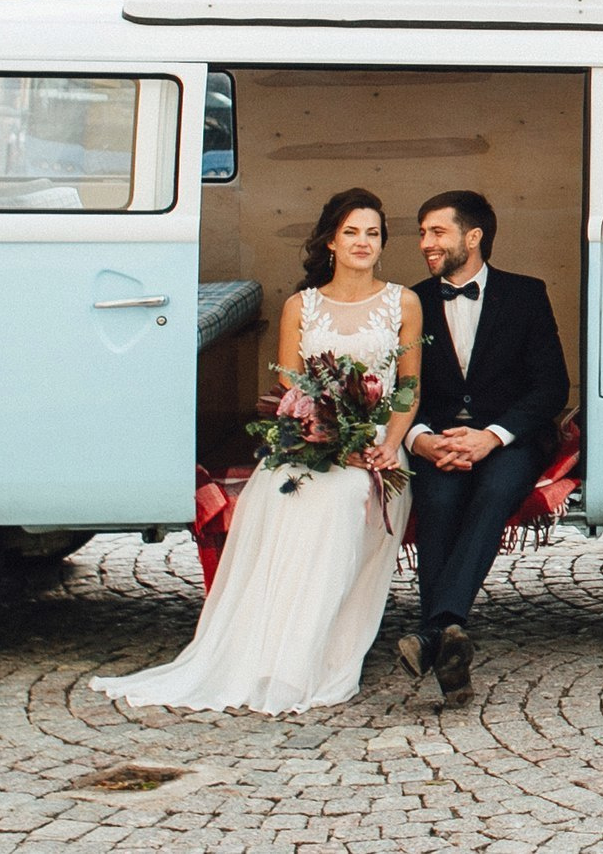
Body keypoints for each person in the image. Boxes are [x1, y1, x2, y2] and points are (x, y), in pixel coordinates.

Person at [92, 187, 421, 716]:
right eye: (352, 232)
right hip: (310, 444)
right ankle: (268, 652)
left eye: (373, 233)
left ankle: (311, 658)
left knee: (342, 504)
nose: (363, 242)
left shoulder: (403, 302)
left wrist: (386, 443)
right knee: (289, 501)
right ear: (331, 241)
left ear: (382, 244)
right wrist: (324, 437)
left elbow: (408, 391)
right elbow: (288, 392)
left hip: (377, 451)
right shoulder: (301, 305)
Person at [396, 189, 569, 700]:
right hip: (438, 439)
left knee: (494, 493)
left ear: (473, 237)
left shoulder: (526, 294)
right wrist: (419, 439)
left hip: (509, 439)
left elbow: (550, 387)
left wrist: (491, 437)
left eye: (437, 232)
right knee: (438, 499)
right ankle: (448, 640)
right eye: (423, 233)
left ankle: (434, 630)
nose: (425, 242)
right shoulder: (412, 302)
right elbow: (398, 386)